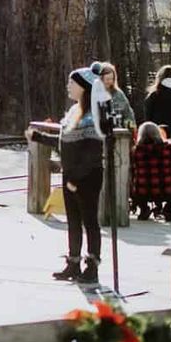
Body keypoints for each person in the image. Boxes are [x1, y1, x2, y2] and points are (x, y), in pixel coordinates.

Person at [27, 64, 112, 286]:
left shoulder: (93, 116)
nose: (68, 86)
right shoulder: (74, 112)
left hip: (87, 177)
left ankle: (91, 266)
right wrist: (39, 137)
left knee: (89, 221)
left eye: (72, 83)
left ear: (84, 88)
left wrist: (76, 179)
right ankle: (73, 262)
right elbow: (66, 145)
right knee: (73, 220)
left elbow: (91, 154)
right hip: (71, 175)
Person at [131, 121, 171, 221]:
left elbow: (132, 169)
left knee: (130, 187)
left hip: (143, 191)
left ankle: (144, 209)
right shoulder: (169, 148)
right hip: (167, 190)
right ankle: (168, 209)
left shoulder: (136, 150)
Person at [98, 62, 135, 129]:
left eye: (111, 79)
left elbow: (128, 114)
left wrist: (131, 129)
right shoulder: (95, 95)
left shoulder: (119, 94)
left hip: (118, 131)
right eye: (107, 79)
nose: (109, 81)